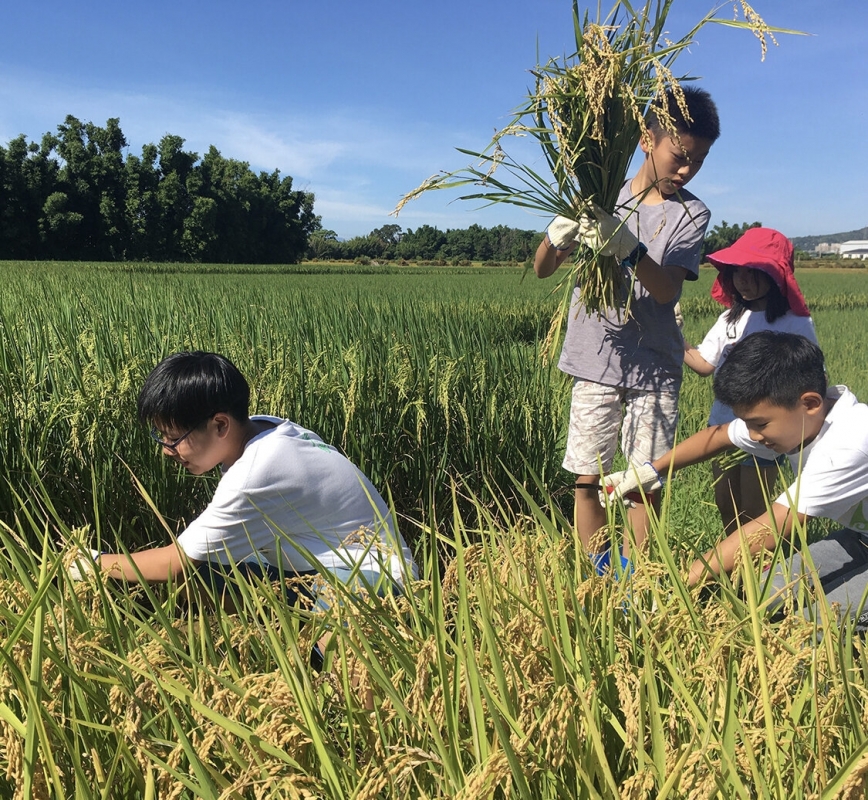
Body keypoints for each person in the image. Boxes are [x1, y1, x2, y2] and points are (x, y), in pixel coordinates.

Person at [533, 85, 720, 569]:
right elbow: (542, 269)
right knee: (587, 478)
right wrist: (559, 236)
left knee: (643, 484)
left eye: (697, 162)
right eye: (680, 156)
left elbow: (666, 290)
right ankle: (596, 575)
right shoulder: (600, 194)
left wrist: (627, 246)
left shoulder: (691, 214)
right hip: (596, 358)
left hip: (654, 367)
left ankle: (635, 584)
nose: (686, 170)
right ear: (645, 138)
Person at [71, 351, 417, 608]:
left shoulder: (257, 471)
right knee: (204, 578)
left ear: (220, 424)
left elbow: (175, 562)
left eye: (173, 437)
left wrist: (89, 563)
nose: (166, 449)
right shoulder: (267, 428)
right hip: (319, 571)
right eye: (159, 435)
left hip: (375, 583)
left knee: (329, 670)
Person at [606, 331, 868, 630]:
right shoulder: (794, 417)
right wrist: (652, 471)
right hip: (859, 539)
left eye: (759, 424)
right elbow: (719, 437)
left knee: (814, 629)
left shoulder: (850, 443)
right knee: (762, 595)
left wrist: (680, 584)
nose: (753, 435)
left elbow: (774, 525)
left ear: (810, 402)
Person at [683, 227, 817, 534]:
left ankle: (762, 574)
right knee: (726, 505)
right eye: (737, 271)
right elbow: (704, 364)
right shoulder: (729, 318)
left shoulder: (795, 322)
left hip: (765, 432)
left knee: (754, 512)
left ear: (774, 275)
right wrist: (676, 338)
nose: (743, 280)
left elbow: (811, 372)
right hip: (722, 426)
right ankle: (738, 574)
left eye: (753, 271)